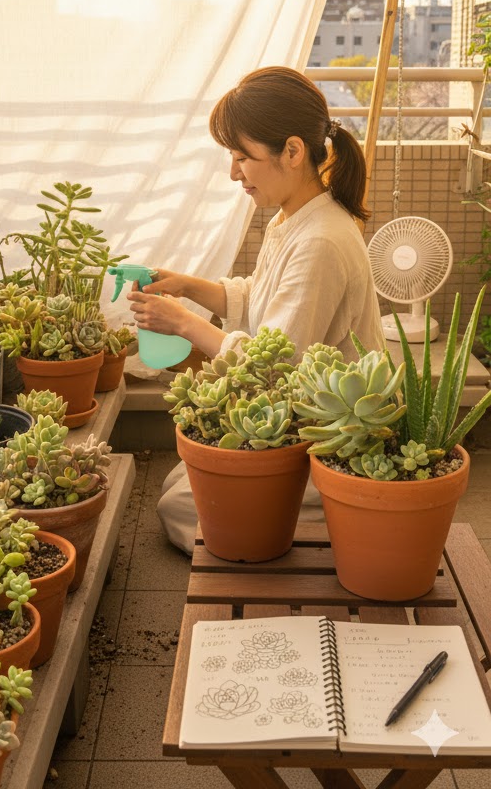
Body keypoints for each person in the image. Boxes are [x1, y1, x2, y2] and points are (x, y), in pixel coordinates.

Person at [127, 66, 385, 554]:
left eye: (242, 156)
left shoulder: (322, 241)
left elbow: (276, 362)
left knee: (182, 504)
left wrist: (183, 322)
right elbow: (261, 297)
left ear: (291, 151)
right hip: (297, 416)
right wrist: (188, 286)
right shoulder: (296, 216)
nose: (233, 173)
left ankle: (331, 523)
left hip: (333, 438)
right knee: (184, 483)